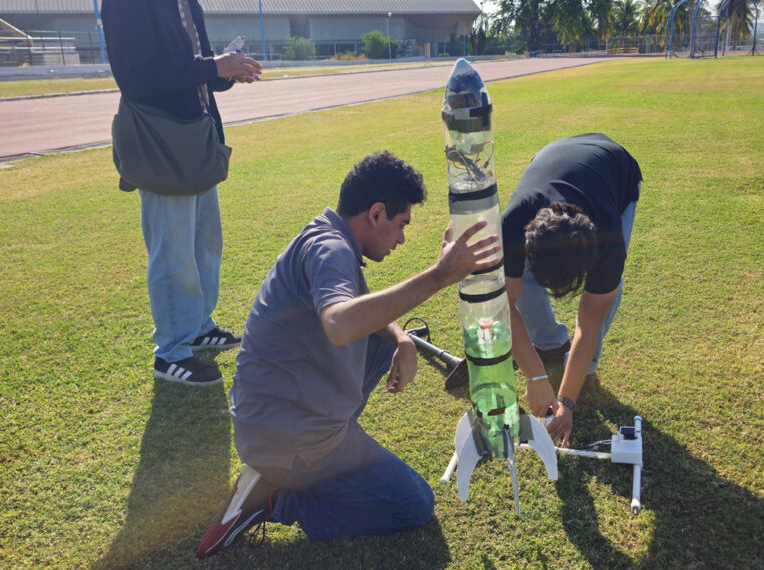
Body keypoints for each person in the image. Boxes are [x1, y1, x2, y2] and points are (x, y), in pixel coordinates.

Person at [196, 151, 499, 557]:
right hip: (287, 437)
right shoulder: (333, 251)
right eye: (401, 224)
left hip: (268, 420)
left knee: (379, 334)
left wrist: (403, 341)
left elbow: (359, 305)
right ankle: (275, 498)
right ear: (376, 213)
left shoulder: (326, 236)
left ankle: (301, 461)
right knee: (414, 503)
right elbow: (340, 322)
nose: (403, 239)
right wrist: (441, 275)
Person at [102, 0, 262, 385]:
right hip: (162, 141)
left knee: (205, 244)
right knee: (173, 250)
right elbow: (136, 78)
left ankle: (198, 328)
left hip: (196, 136)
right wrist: (213, 67)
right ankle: (171, 351)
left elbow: (199, 69)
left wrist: (227, 69)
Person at [501, 133, 642, 447]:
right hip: (553, 153)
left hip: (615, 168)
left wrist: (567, 401)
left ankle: (585, 370)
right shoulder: (511, 226)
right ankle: (548, 343)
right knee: (519, 280)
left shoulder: (607, 240)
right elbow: (502, 307)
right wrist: (535, 376)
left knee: (608, 295)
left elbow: (588, 324)